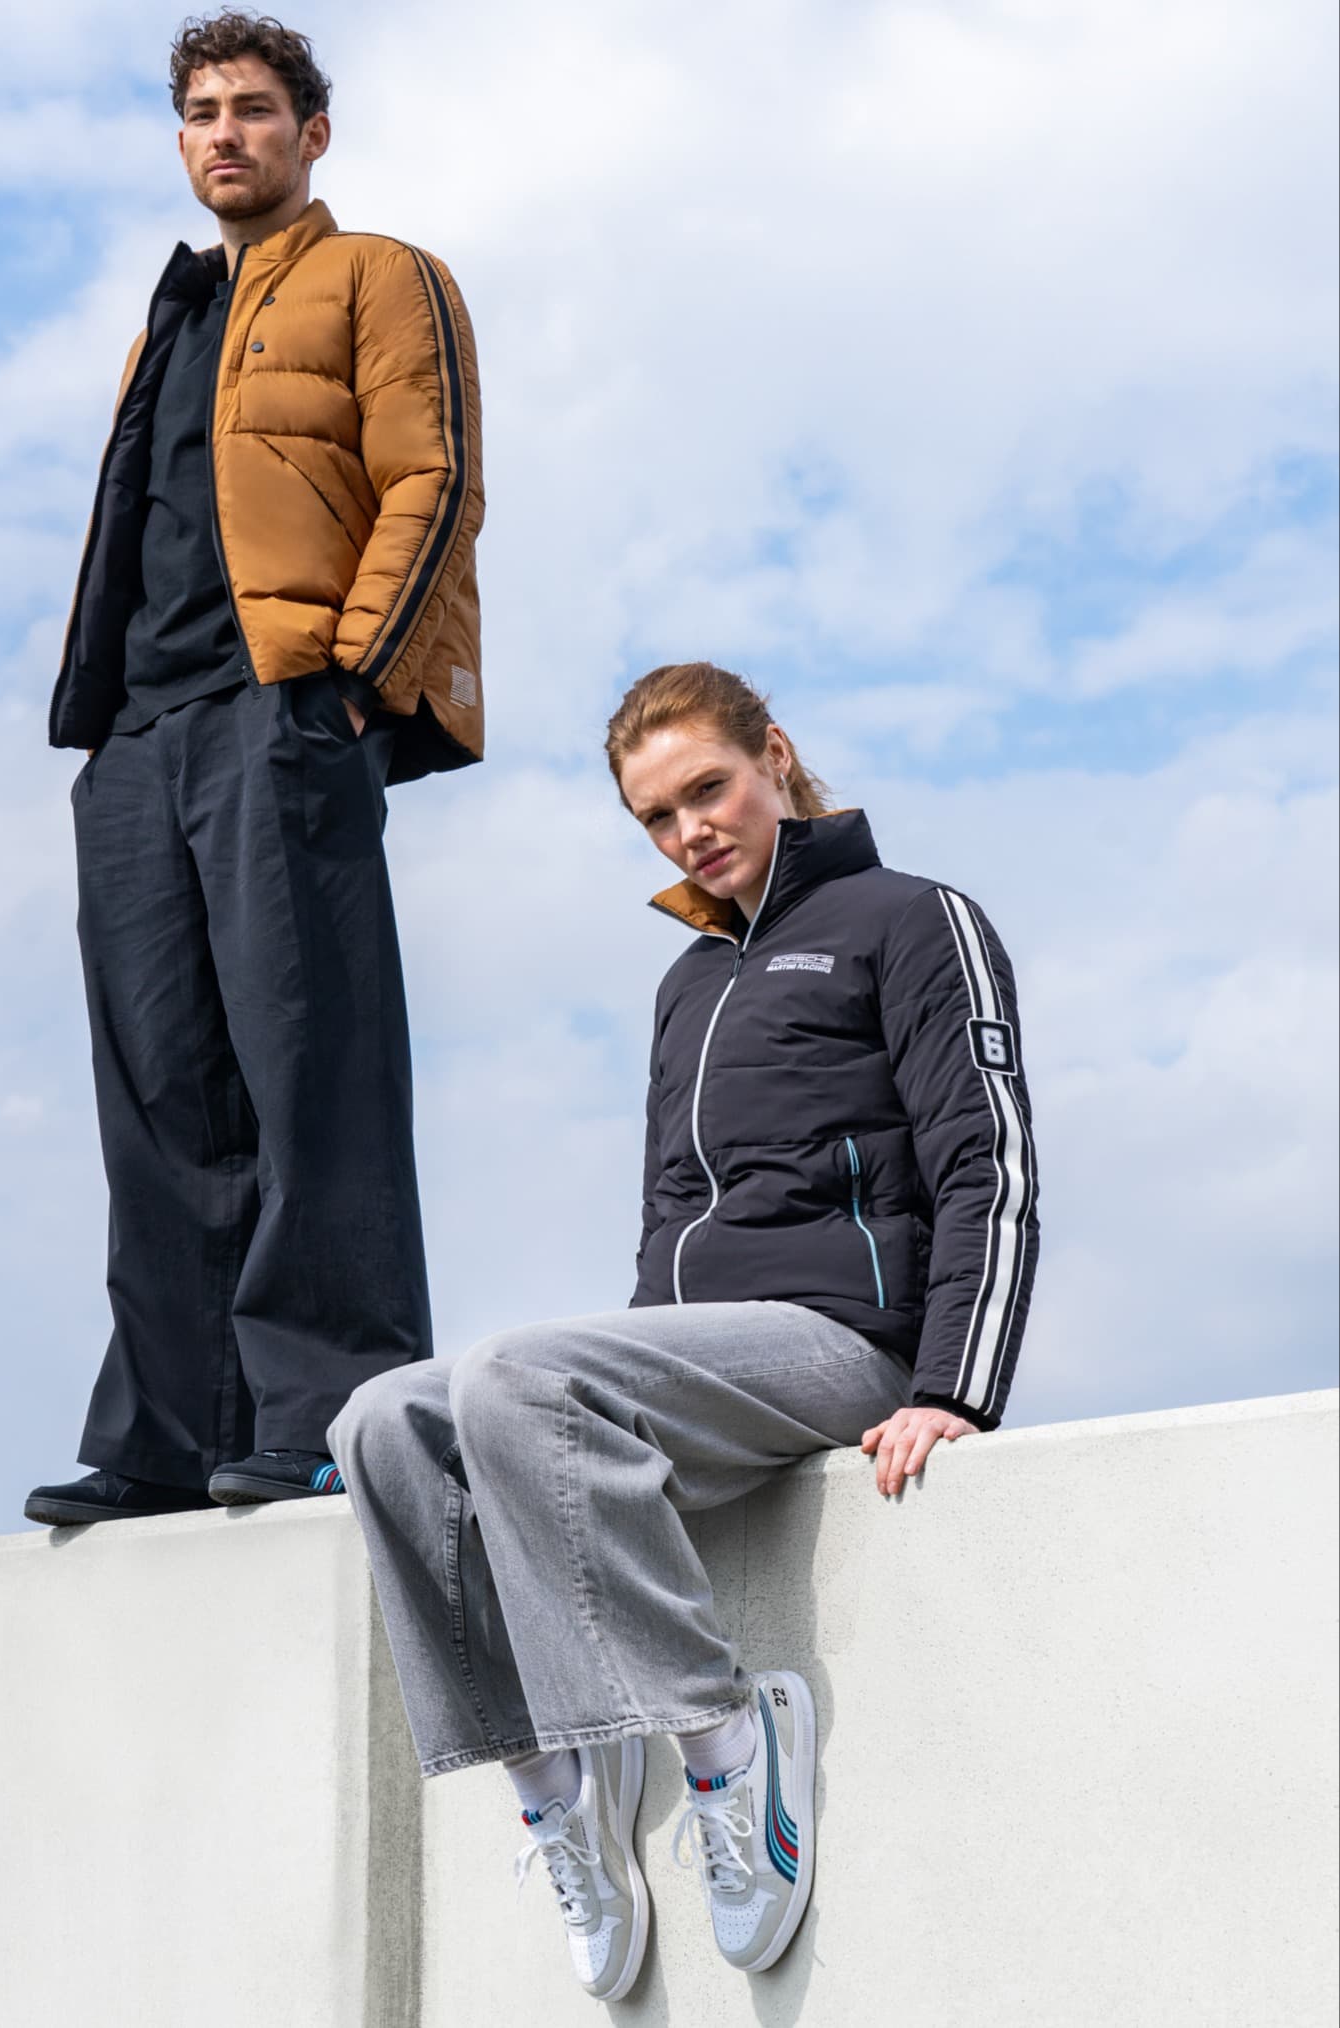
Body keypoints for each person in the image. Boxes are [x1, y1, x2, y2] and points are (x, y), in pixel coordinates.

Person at [328, 661, 1040, 1997]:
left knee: (514, 1374)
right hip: (717, 1359)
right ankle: (558, 1784)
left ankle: (725, 1748)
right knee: (382, 1423)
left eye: (706, 789)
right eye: (654, 816)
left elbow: (983, 1162)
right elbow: (668, 1219)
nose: (688, 831)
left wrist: (954, 1386)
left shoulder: (909, 918)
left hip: (846, 1342)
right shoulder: (687, 984)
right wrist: (606, 1409)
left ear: (775, 755)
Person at [26, 13, 483, 1527]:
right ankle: (170, 1434)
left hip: (281, 708)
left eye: (255, 109)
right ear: (182, 143)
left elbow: (433, 478)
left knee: (311, 1068)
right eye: (203, 113)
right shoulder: (167, 319)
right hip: (139, 740)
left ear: (311, 134)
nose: (227, 132)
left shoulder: (380, 276)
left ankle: (331, 1414)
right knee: (159, 1092)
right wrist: (104, 726)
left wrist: (353, 684)